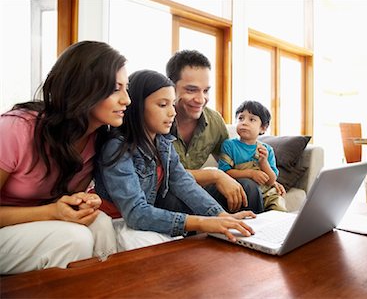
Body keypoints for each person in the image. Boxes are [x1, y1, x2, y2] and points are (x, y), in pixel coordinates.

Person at [0, 40, 130, 274]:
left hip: (32, 224)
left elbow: (63, 199)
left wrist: (81, 203)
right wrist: (51, 212)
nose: (126, 100)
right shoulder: (15, 129)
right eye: (114, 89)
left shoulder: (97, 140)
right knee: (73, 238)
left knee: (99, 222)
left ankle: (108, 289)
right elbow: (52, 210)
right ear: (83, 88)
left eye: (126, 88)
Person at [94, 70, 255, 251]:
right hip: (116, 222)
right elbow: (135, 213)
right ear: (138, 106)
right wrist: (203, 222)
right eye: (163, 105)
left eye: (172, 104)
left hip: (145, 217)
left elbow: (183, 183)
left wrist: (221, 215)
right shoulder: (117, 147)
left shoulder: (163, 143)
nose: (172, 112)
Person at [166, 50, 264, 213]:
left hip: (199, 191)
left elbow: (232, 162)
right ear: (170, 87)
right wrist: (214, 175)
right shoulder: (158, 119)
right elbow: (164, 176)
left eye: (205, 91)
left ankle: (258, 236)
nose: (201, 99)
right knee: (176, 200)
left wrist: (268, 178)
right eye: (191, 90)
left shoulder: (213, 121)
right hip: (167, 195)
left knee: (248, 187)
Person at [218, 101, 287, 211]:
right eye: (241, 118)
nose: (244, 122)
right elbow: (224, 173)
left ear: (263, 128)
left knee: (278, 208)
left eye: (252, 119)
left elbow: (271, 180)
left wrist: (263, 162)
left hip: (266, 193)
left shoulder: (267, 150)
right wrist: (250, 173)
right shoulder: (229, 145)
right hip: (244, 191)